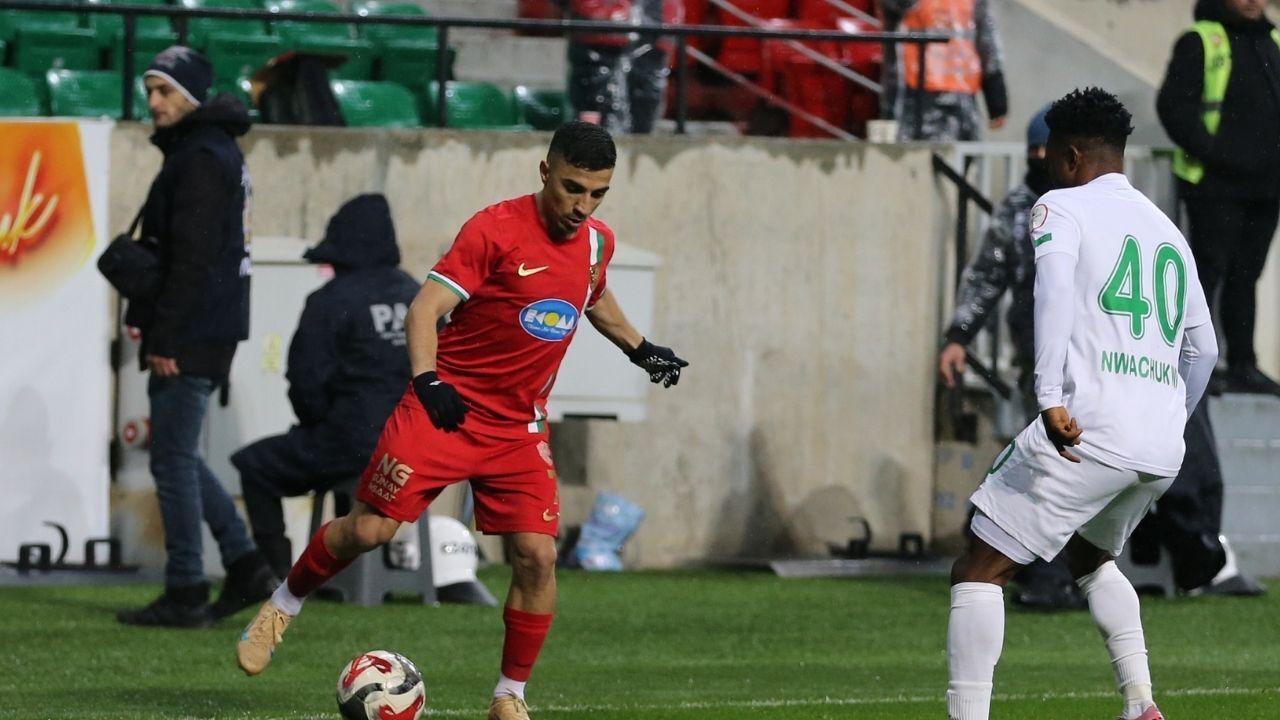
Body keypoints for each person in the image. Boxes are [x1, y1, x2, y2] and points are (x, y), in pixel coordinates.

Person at [235, 122, 688, 720]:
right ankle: (283, 603)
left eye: (597, 193)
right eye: (572, 188)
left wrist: (639, 347)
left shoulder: (597, 242)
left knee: (538, 557)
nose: (583, 206)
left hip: (518, 427)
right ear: (545, 171)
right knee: (370, 531)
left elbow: (592, 293)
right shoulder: (493, 229)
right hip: (445, 411)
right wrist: (429, 381)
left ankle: (509, 695)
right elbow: (425, 309)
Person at [944, 88, 1216, 720]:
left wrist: (1048, 397)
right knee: (1091, 557)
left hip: (1086, 430)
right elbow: (1202, 349)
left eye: (1050, 160)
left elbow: (1054, 292)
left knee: (978, 567)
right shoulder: (1167, 229)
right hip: (1158, 447)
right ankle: (1141, 704)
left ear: (1070, 156)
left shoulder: (1060, 205)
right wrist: (1171, 419)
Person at [116, 46, 278, 628]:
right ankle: (245, 564)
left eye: (164, 90)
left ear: (190, 95)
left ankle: (187, 588)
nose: (153, 102)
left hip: (192, 330)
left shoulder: (200, 156)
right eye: (149, 90)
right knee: (179, 455)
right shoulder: (214, 150)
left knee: (172, 460)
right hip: (208, 324)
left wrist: (167, 336)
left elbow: (192, 260)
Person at [938, 106, 1085, 611]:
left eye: (1046, 151)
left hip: (1091, 362)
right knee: (1048, 465)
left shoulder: (1087, 210)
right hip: (1041, 364)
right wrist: (958, 336)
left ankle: (1030, 558)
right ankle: (1047, 575)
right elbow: (987, 275)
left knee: (1055, 467)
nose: (1039, 160)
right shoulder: (1022, 209)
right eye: (1033, 153)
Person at [230, 194, 420, 579]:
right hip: (417, 447)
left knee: (254, 465)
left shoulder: (331, 300)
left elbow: (306, 382)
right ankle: (349, 571)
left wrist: (318, 423)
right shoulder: (417, 293)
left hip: (352, 442)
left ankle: (275, 573)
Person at [1156, 0, 1280, 395]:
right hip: (1215, 186)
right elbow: (1173, 107)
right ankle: (1191, 363)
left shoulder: (1273, 41)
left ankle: (1242, 364)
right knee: (1205, 276)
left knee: (1247, 276)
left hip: (1265, 187)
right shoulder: (1202, 40)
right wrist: (1218, 154)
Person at [879, 0, 1008, 142]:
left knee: (963, 151)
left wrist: (996, 98)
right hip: (917, 96)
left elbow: (986, 40)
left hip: (963, 95)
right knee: (919, 151)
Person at [566, 0, 682, 134]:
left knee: (640, 98)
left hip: (636, 36)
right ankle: (595, 135)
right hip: (603, 35)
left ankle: (631, 137)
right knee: (595, 98)